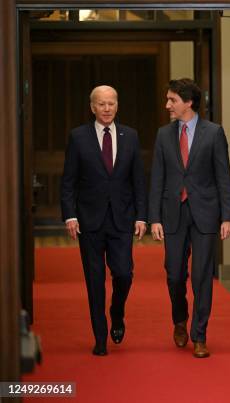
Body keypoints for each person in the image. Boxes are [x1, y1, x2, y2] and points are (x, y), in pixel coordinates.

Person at [149, 78, 230, 358]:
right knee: (174, 274)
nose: (167, 105)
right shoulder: (164, 135)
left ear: (188, 102)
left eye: (172, 100)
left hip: (206, 214)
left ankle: (200, 335)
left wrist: (228, 216)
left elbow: (224, 176)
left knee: (201, 277)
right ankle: (179, 319)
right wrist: (154, 218)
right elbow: (157, 179)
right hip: (172, 213)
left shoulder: (214, 133)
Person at [60, 85, 147, 356]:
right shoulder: (78, 137)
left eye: (111, 103)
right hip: (89, 221)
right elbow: (69, 181)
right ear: (92, 107)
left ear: (117, 106)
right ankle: (100, 337)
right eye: (101, 104)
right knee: (95, 280)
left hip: (122, 219)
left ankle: (117, 312)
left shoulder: (130, 136)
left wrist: (142, 216)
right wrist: (70, 214)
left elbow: (139, 181)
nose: (107, 108)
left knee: (124, 273)